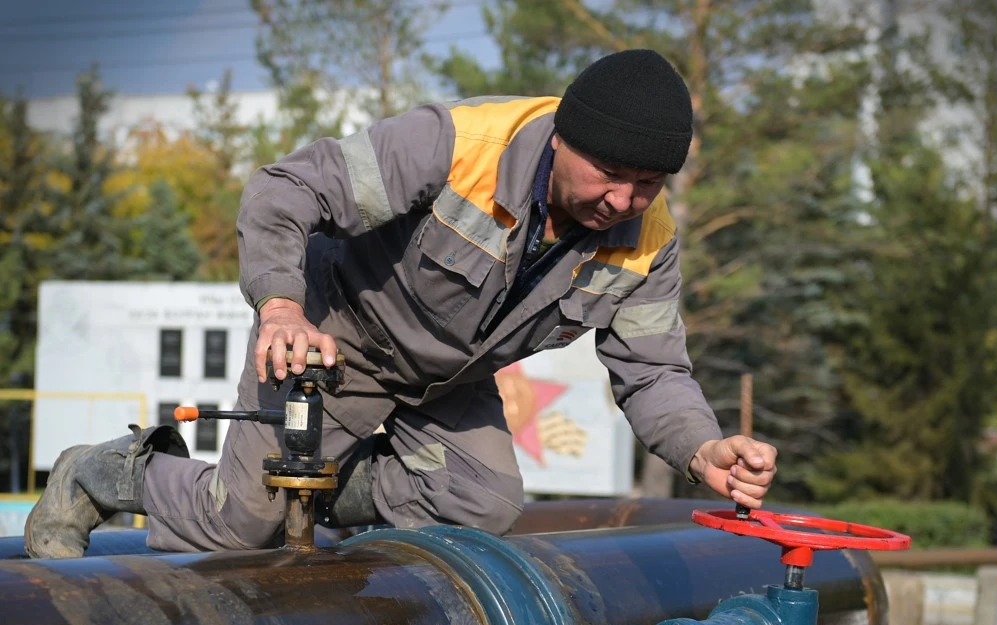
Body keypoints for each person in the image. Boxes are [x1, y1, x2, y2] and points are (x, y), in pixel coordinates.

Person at [25, 49, 777, 559]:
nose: (624, 200)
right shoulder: (458, 145)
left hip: (447, 376)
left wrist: (700, 448)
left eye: (648, 184)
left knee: (482, 505)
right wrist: (281, 307)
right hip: (335, 333)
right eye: (610, 174)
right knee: (240, 523)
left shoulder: (649, 239)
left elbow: (652, 371)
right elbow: (286, 189)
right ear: (562, 139)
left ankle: (315, 490)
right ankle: (103, 472)